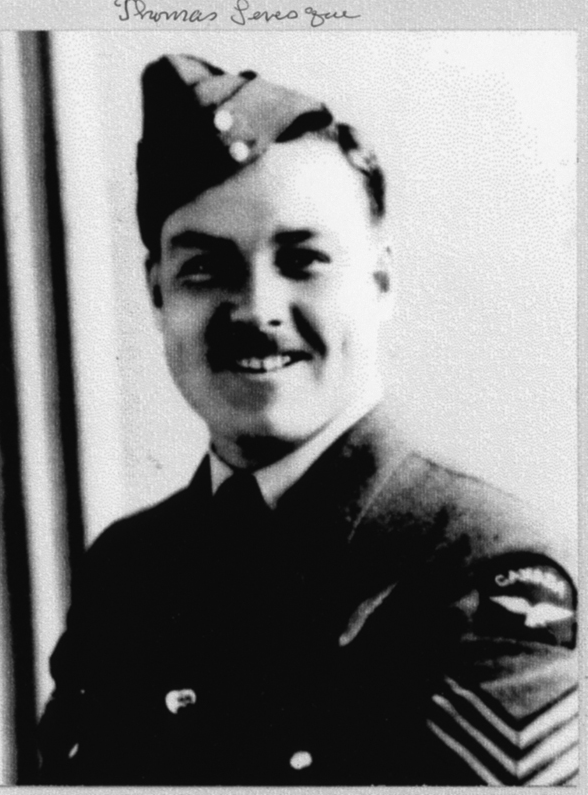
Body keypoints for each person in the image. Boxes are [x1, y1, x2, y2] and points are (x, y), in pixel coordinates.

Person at [37, 54, 578, 786]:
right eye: (205, 269)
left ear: (379, 281)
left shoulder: (488, 571)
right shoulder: (127, 573)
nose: (256, 310)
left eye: (303, 261)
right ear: (158, 293)